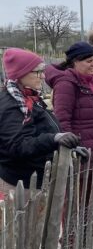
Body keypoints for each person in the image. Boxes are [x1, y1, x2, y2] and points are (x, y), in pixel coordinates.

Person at [0, 48, 80, 194]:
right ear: (21, 73)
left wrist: (66, 146)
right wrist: (54, 139)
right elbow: (18, 146)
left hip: (36, 180)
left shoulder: (29, 98)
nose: (43, 76)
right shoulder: (11, 104)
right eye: (37, 71)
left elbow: (43, 129)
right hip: (22, 186)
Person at [45, 42, 93, 151]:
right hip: (81, 151)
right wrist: (73, 148)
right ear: (75, 62)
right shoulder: (66, 84)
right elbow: (62, 121)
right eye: (89, 61)